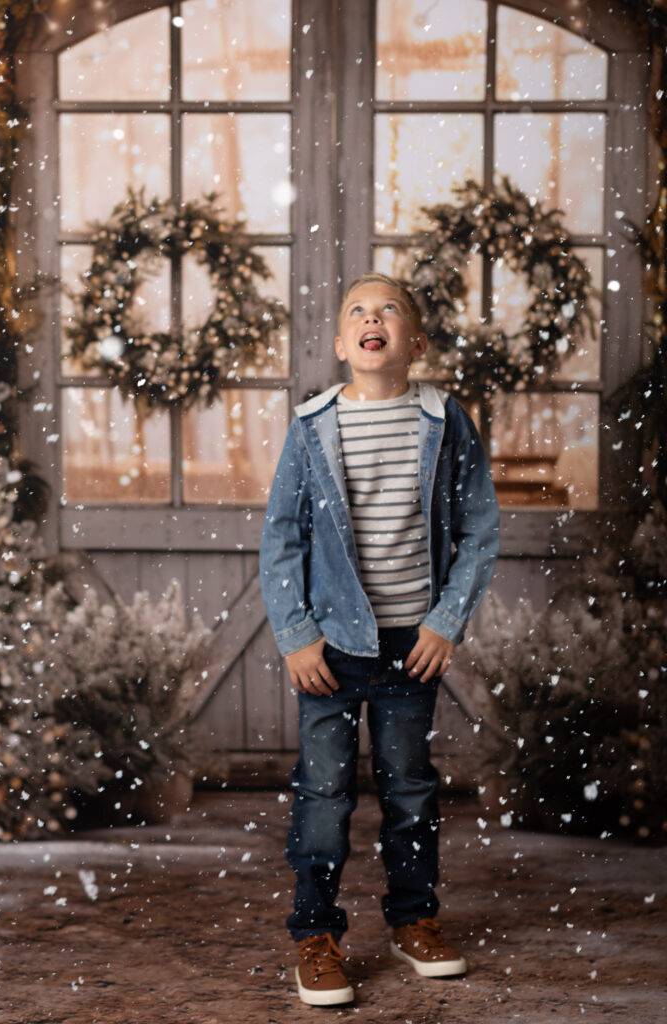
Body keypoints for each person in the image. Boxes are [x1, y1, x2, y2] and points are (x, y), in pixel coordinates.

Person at [259, 271, 500, 1007]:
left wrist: (444, 621)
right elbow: (282, 538)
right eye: (358, 311)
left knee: (410, 791)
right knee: (324, 793)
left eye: (389, 310)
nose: (374, 318)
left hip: (412, 647)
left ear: (414, 342)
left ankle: (413, 919)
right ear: (340, 343)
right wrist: (296, 635)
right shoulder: (313, 426)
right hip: (331, 648)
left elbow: (478, 530)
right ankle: (316, 933)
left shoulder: (444, 421)